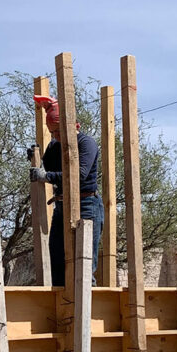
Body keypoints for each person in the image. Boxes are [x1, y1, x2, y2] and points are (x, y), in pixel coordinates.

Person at [29, 95, 104, 286]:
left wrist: (46, 176)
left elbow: (78, 175)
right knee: (57, 261)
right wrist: (35, 158)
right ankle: (64, 311)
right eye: (52, 132)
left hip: (86, 205)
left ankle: (88, 309)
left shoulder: (87, 144)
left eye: (59, 131)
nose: (56, 136)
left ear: (74, 126)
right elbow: (45, 167)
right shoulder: (55, 146)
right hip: (62, 206)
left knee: (84, 263)